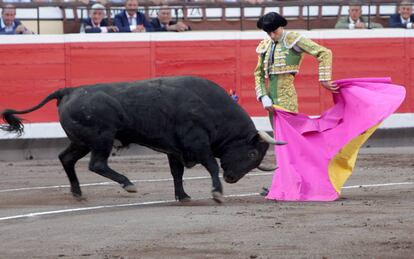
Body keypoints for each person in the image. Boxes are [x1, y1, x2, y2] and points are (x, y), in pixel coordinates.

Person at [254, 12, 337, 121]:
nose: (272, 36)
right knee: (277, 134)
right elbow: (258, 73)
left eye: (274, 32)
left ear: (281, 27)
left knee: (288, 134)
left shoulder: (293, 39)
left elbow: (324, 52)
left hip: (287, 99)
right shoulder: (265, 45)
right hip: (270, 101)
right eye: (269, 33)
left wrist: (324, 79)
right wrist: (263, 96)